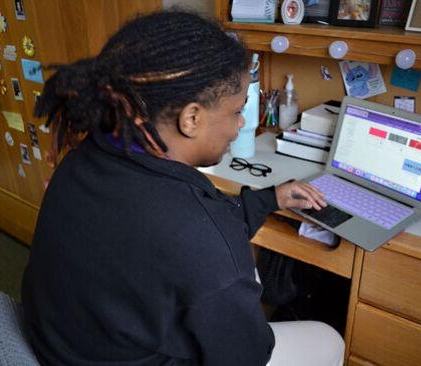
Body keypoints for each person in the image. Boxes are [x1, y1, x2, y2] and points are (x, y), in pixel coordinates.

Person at [21, 10, 344, 366]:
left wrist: (270, 199)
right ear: (191, 118)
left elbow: (187, 234)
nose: (239, 126)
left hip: (65, 346)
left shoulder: (82, 159)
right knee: (327, 339)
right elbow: (247, 355)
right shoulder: (201, 242)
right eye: (237, 111)